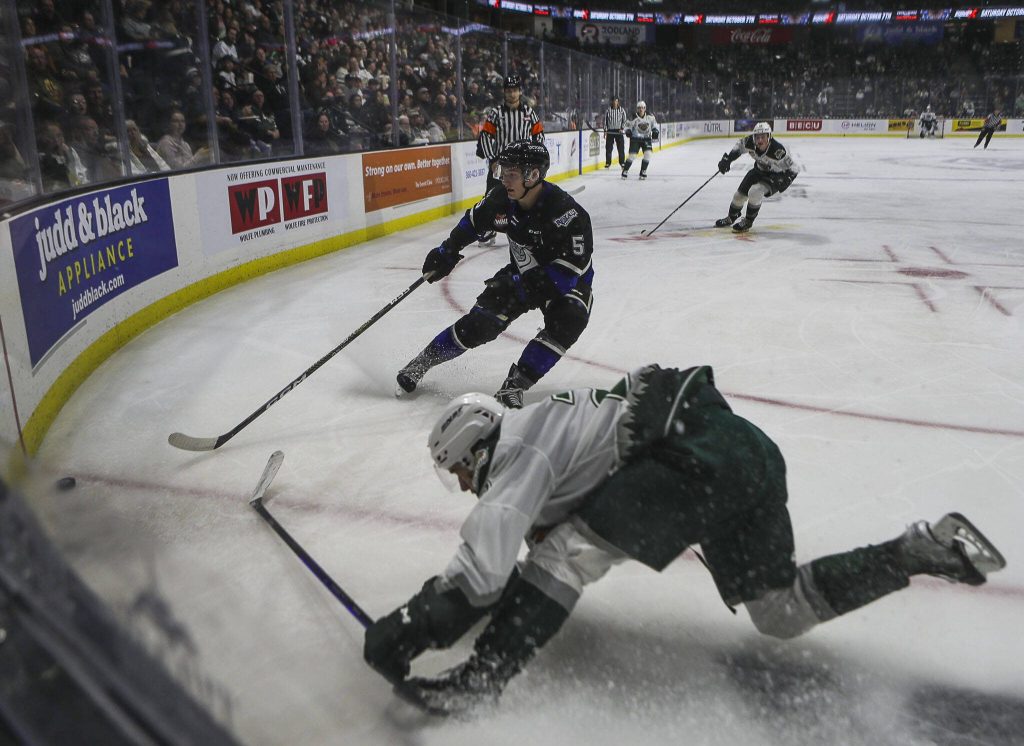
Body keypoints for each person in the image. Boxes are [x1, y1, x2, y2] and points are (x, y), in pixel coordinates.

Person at [364, 364, 1007, 716]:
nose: (461, 482)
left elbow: (483, 573)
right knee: (781, 612)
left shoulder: (514, 453)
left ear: (473, 449)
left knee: (567, 556)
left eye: (456, 469)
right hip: (746, 452)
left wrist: (405, 629)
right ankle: (915, 551)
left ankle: (482, 682)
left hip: (693, 456)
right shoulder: (544, 431)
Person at [394, 141, 593, 409]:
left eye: (511, 173)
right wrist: (448, 250)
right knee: (480, 325)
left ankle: (515, 385)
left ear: (532, 175)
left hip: (564, 282)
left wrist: (520, 287)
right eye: (502, 171)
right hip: (522, 273)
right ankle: (422, 362)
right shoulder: (502, 198)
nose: (503, 178)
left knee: (570, 317)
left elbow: (566, 274)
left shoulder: (568, 215)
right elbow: (474, 222)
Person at [475, 75, 544, 246]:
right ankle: (488, 229)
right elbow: (485, 136)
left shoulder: (529, 112)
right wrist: (493, 159)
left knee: (525, 196)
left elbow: (539, 135)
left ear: (520, 92)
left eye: (514, 90)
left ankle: (531, 227)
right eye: (508, 91)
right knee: (492, 196)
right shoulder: (496, 113)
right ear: (504, 92)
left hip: (522, 164)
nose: (512, 94)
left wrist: (534, 158)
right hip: (502, 162)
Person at [715, 121, 798, 233]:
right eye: (757, 137)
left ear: (769, 137)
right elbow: (739, 146)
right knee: (738, 196)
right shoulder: (750, 142)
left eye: (763, 137)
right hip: (758, 170)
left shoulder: (777, 151)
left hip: (774, 176)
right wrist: (728, 159)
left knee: (755, 192)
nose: (759, 140)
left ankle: (748, 221)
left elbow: (794, 169)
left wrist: (786, 180)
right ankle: (731, 217)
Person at [620, 100, 659, 180]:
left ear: (645, 108)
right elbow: (627, 126)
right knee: (632, 156)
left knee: (648, 154)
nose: (641, 109)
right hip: (635, 139)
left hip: (646, 139)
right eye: (639, 108)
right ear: (637, 109)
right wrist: (628, 131)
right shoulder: (633, 117)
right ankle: (625, 170)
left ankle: (643, 171)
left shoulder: (650, 116)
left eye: (642, 108)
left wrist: (655, 131)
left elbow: (655, 125)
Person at [602, 96, 626, 169]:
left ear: (618, 102)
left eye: (616, 101)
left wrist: (622, 128)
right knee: (608, 148)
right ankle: (608, 163)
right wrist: (605, 130)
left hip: (619, 131)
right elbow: (605, 121)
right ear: (611, 102)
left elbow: (624, 120)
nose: (615, 102)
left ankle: (622, 162)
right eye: (613, 101)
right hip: (610, 131)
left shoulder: (621, 110)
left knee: (621, 148)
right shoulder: (608, 110)